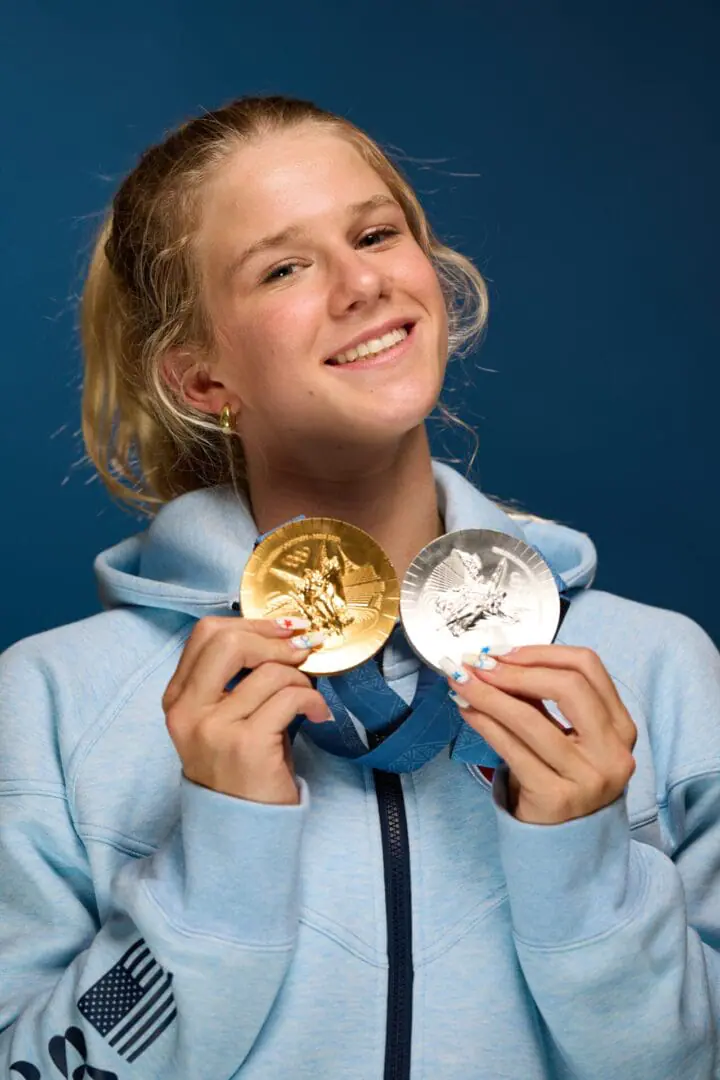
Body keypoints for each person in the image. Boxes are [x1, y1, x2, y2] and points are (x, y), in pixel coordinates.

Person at [1, 94, 718, 1080]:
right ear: (203, 378)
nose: (360, 284)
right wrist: (215, 867)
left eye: (376, 233)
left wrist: (588, 876)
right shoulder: (49, 703)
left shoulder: (662, 669)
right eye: (284, 267)